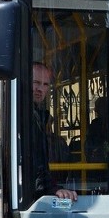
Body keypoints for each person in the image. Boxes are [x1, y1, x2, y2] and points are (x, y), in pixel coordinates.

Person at [32, 62, 77, 201]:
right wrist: (50, 189)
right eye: (36, 82)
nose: (40, 89)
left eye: (45, 84)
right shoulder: (24, 116)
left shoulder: (37, 115)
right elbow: (34, 163)